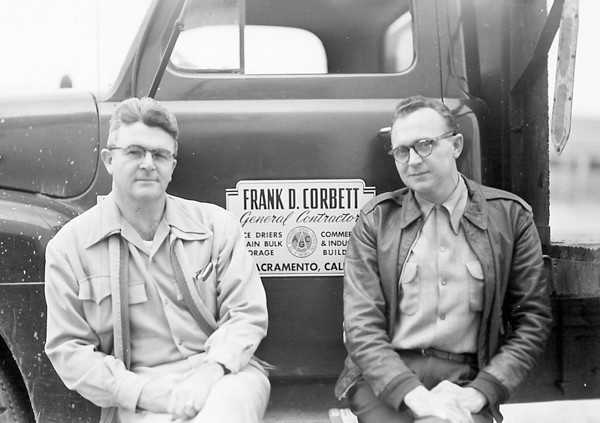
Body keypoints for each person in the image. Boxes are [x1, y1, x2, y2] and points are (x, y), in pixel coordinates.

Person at [45, 97, 270, 423]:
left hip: (223, 377)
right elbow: (69, 351)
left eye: (160, 154)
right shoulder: (69, 248)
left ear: (172, 166)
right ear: (109, 160)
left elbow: (247, 314)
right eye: (134, 152)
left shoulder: (215, 227)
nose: (148, 163)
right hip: (138, 397)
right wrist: (147, 394)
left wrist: (209, 374)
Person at [335, 96, 552, 423]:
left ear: (456, 145)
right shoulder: (375, 221)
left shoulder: (510, 218)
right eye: (401, 151)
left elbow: (531, 321)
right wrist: (416, 397)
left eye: (424, 144)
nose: (412, 160)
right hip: (384, 381)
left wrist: (479, 391)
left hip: (464, 380)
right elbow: (361, 327)